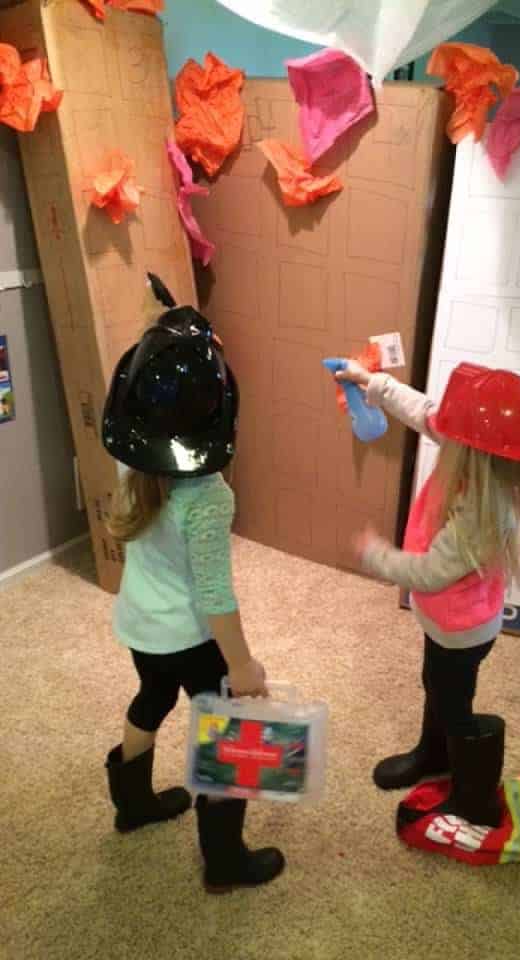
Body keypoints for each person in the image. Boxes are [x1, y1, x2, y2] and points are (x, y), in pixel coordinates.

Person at [336, 361, 520, 827]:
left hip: (462, 631)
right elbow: (423, 411)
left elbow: (431, 573)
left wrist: (376, 555)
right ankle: (433, 755)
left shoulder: (481, 509)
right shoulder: (475, 452)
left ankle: (474, 799)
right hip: (447, 623)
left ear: (471, 449)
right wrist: (371, 383)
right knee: (436, 686)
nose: (440, 433)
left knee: (454, 707)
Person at [101, 274, 284, 892]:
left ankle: (132, 804)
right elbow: (215, 596)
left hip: (140, 627)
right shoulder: (206, 497)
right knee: (227, 734)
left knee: (151, 701)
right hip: (191, 636)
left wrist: (167, 329)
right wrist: (243, 666)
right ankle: (226, 864)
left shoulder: (129, 458)